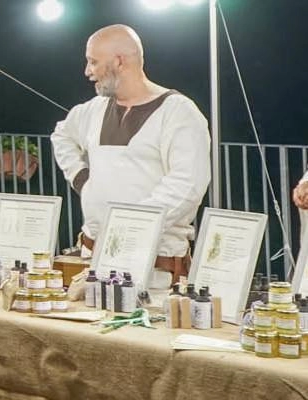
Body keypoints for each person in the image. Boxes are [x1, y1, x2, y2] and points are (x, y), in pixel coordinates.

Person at [51, 24, 211, 292]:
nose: (87, 71)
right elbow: (61, 135)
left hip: (153, 271)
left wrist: (131, 226)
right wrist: (83, 181)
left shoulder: (178, 112)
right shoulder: (94, 109)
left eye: (93, 62)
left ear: (119, 61)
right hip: (94, 263)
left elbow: (188, 185)